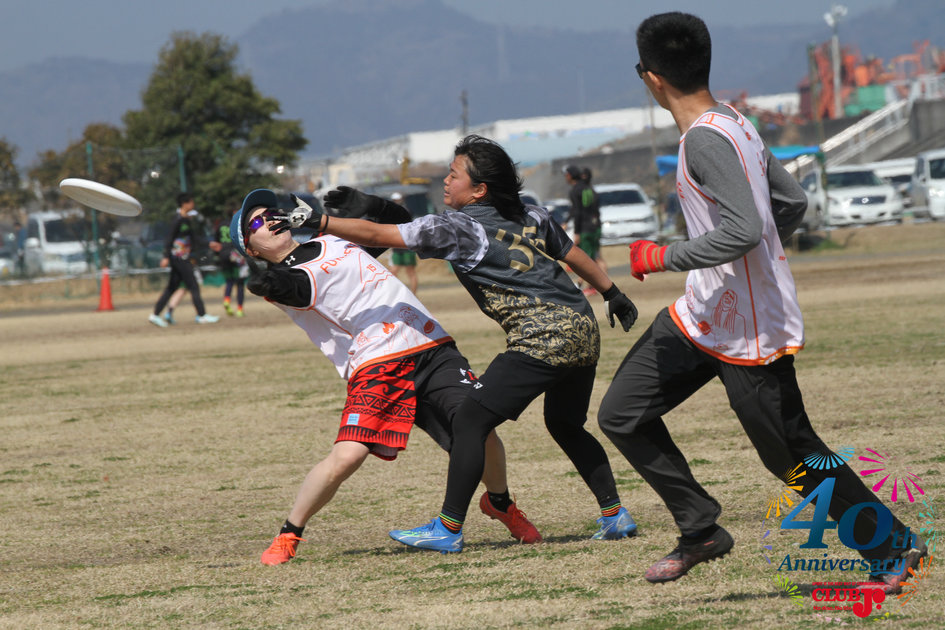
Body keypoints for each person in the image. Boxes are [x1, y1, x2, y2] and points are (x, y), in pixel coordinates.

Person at [597, 12, 926, 591]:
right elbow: (791, 203)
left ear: (651, 78)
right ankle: (700, 528)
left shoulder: (705, 140)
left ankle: (893, 548)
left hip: (750, 329)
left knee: (791, 454)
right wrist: (752, 259)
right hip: (700, 316)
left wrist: (664, 256)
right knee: (621, 414)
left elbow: (747, 229)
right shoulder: (735, 123)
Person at [305, 134, 640, 553]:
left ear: (479, 189)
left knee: (468, 422)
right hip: (582, 328)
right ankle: (614, 514)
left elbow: (378, 233)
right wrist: (612, 293)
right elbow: (571, 253)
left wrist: (319, 222)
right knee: (565, 424)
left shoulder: (460, 227)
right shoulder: (531, 213)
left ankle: (448, 529)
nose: (446, 181)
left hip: (543, 337)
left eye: (454, 174)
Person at [231, 188, 541, 564]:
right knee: (347, 456)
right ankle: (289, 533)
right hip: (377, 364)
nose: (270, 221)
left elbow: (399, 223)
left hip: (431, 346)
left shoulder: (333, 240)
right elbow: (296, 289)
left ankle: (500, 503)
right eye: (257, 224)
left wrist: (367, 204)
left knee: (479, 428)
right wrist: (272, 283)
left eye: (271, 213)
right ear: (251, 249)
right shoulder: (285, 278)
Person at [148, 193, 219, 327]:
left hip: (180, 258)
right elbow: (169, 238)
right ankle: (202, 315)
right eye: (191, 202)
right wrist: (166, 256)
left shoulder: (186, 219)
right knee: (193, 285)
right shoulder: (178, 219)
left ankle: (155, 315)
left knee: (171, 288)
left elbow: (193, 238)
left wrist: (209, 243)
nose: (193, 204)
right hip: (179, 258)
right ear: (184, 204)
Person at [563, 164, 605, 295]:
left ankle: (587, 286)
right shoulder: (590, 189)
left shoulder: (576, 190)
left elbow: (577, 211)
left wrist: (577, 232)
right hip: (595, 226)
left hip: (585, 229)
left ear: (570, 176)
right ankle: (603, 286)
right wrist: (567, 221)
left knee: (587, 259)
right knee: (597, 257)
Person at [209, 208, 248, 317]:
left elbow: (216, 241)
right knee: (240, 283)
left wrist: (217, 255)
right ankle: (240, 309)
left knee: (229, 280)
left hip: (223, 254)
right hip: (235, 254)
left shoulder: (221, 224)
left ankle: (227, 300)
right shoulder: (237, 224)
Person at [386, 192, 419, 293]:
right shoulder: (392, 212)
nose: (396, 201)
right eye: (395, 200)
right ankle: (395, 293)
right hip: (397, 248)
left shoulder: (405, 211)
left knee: (410, 272)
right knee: (393, 272)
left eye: (398, 199)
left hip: (406, 246)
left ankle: (413, 295)